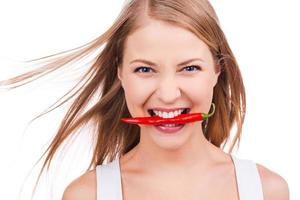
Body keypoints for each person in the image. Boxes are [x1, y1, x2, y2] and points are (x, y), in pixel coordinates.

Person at [0, 0, 289, 199]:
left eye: (190, 68)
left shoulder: (267, 191)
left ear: (217, 71)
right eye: (144, 69)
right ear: (121, 74)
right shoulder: (87, 195)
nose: (167, 94)